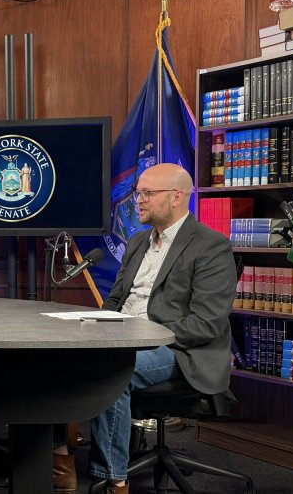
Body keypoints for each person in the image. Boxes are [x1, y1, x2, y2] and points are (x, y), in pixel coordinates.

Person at [52, 163, 236, 494]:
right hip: (122, 336)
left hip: (182, 350)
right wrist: (96, 325)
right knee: (54, 357)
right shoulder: (137, 243)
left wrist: (140, 334)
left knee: (108, 370)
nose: (138, 200)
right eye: (138, 193)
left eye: (147, 193)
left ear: (177, 196)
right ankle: (59, 458)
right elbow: (116, 301)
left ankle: (113, 481)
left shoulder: (211, 246)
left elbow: (205, 323)